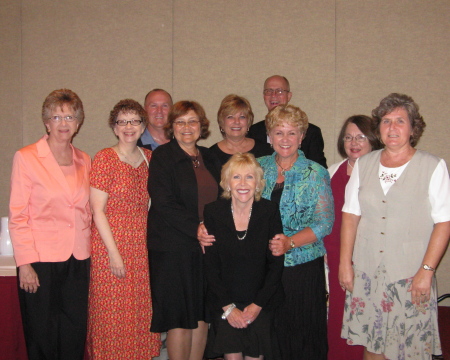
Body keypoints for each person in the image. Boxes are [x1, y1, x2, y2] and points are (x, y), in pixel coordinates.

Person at [339, 93, 450, 360]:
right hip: (367, 272)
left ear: (413, 128)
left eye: (400, 121)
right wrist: (345, 264)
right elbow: (350, 216)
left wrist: (426, 270)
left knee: (409, 347)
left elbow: (444, 223)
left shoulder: (433, 166)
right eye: (386, 121)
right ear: (378, 128)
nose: (392, 127)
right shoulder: (364, 165)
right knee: (373, 343)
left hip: (410, 275)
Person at [9, 89, 91, 360]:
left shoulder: (84, 159)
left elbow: (86, 211)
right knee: (42, 334)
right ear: (46, 122)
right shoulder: (27, 157)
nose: (63, 123)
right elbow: (18, 215)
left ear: (78, 123)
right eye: (56, 117)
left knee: (73, 332)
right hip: (41, 260)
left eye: (70, 117)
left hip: (79, 258)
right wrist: (25, 263)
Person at [87, 99, 161, 359]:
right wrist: (114, 253)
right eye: (122, 121)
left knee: (139, 314)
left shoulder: (150, 158)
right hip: (111, 244)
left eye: (135, 121)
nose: (129, 126)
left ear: (143, 126)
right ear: (114, 127)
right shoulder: (105, 158)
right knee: (113, 316)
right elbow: (97, 211)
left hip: (141, 247)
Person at [148, 101, 221, 360]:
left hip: (205, 247)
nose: (187, 127)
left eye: (192, 121)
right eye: (180, 122)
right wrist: (196, 228)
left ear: (202, 126)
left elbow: (223, 198)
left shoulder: (209, 157)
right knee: (179, 316)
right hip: (172, 248)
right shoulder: (163, 156)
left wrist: (211, 230)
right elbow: (163, 202)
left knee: (201, 314)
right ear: (172, 127)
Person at [203, 153, 285, 360]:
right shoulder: (213, 212)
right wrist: (229, 308)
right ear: (227, 183)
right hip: (226, 302)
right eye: (236, 177)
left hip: (260, 302)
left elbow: (276, 264)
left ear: (258, 184)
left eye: (249, 177)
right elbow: (210, 266)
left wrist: (257, 306)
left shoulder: (269, 211)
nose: (242, 183)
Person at [324, 115, 381, 360]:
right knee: (339, 318)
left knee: (371, 320)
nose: (353, 142)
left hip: (371, 257)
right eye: (348, 137)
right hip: (336, 257)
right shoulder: (330, 173)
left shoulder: (383, 173)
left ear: (373, 140)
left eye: (361, 137)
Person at [247, 75, 327, 168]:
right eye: (269, 91)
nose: (274, 95)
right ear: (264, 96)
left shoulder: (312, 132)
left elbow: (319, 170)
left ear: (289, 96)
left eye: (279, 91)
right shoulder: (253, 131)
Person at [209, 94, 272, 165]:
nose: (237, 121)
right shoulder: (210, 156)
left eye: (242, 117)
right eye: (230, 117)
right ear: (222, 122)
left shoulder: (265, 150)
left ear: (248, 122)